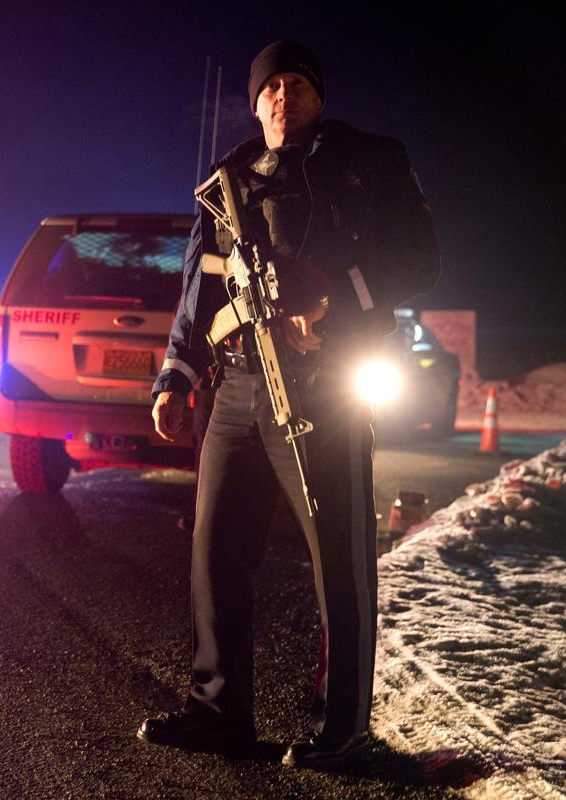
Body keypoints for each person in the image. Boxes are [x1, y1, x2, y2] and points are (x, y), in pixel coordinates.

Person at [138, 40, 439, 769]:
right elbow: (200, 288)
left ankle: (345, 733)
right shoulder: (228, 182)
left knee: (341, 558)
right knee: (216, 550)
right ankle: (219, 714)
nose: (283, 96)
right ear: (255, 100)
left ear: (318, 96)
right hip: (238, 386)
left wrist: (336, 294)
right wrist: (177, 375)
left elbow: (421, 259)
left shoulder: (369, 160)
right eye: (270, 86)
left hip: (327, 382)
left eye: (297, 83)